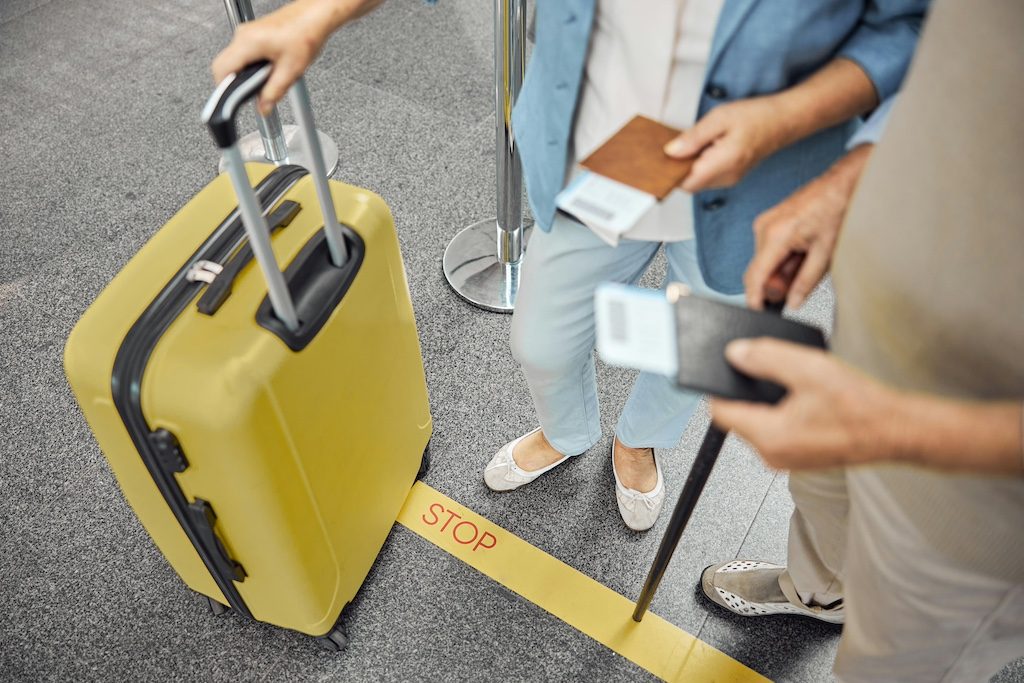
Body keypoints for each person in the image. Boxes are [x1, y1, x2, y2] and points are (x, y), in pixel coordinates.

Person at [212, 0, 926, 530]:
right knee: (543, 337)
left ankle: (639, 439)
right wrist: (318, 14)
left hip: (763, 177)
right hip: (608, 149)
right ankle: (569, 430)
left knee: (697, 346)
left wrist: (799, 127)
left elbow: (914, 24)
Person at [695, 2, 1024, 681]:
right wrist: (860, 173)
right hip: (884, 319)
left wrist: (890, 425)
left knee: (903, 652)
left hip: (984, 485)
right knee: (824, 491)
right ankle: (819, 591)